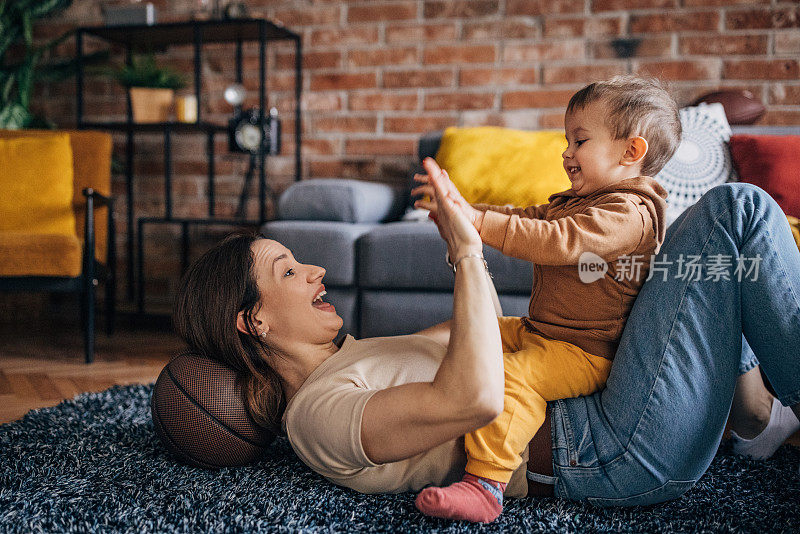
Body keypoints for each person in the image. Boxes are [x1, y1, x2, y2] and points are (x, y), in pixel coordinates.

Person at [174, 163, 800, 516]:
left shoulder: (367, 354)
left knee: (695, 253)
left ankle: (755, 417)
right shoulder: (316, 416)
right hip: (606, 452)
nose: (315, 270)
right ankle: (756, 415)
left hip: (611, 412)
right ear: (253, 321)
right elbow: (475, 398)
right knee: (735, 211)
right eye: (288, 270)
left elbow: (501, 334)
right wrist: (467, 251)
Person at [409, 76, 678, 522]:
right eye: (566, 139)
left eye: (580, 140)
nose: (566, 152)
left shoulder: (627, 214)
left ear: (631, 152)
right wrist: (464, 208)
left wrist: (478, 223)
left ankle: (486, 484)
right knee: (473, 331)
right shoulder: (581, 200)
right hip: (543, 333)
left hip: (583, 353)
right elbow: (526, 216)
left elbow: (558, 241)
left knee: (513, 378)